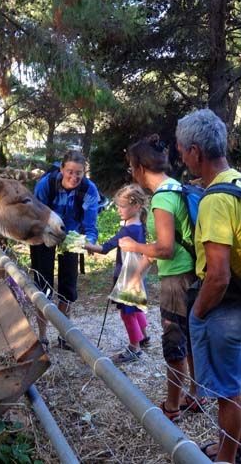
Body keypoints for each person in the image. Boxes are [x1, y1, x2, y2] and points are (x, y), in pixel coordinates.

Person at [176, 109, 241, 464]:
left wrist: (198, 310)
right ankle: (236, 447)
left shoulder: (215, 200)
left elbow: (218, 274)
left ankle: (225, 459)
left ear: (196, 151)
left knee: (226, 392)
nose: (181, 156)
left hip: (225, 307)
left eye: (181, 150)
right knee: (239, 381)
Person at [118, 135, 203, 423]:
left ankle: (172, 406)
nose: (132, 172)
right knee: (190, 338)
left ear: (140, 167)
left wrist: (134, 247)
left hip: (176, 281)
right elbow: (168, 243)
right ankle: (197, 394)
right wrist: (137, 273)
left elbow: (165, 248)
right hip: (189, 275)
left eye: (132, 166)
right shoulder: (175, 188)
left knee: (175, 342)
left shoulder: (163, 199)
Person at [30, 149, 100, 351]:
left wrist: (90, 243)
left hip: (72, 238)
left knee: (68, 288)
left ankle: (63, 334)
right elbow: (35, 214)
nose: (74, 177)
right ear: (61, 169)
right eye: (70, 171)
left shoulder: (89, 190)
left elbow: (90, 224)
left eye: (79, 173)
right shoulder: (46, 185)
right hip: (45, 236)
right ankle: (42, 336)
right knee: (42, 286)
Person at [84, 184, 150, 363]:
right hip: (138, 275)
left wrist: (87, 245)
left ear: (136, 207)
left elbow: (106, 248)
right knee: (135, 307)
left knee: (127, 313)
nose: (118, 210)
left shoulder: (128, 230)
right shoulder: (138, 225)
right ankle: (144, 336)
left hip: (127, 277)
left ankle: (134, 348)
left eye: (122, 206)